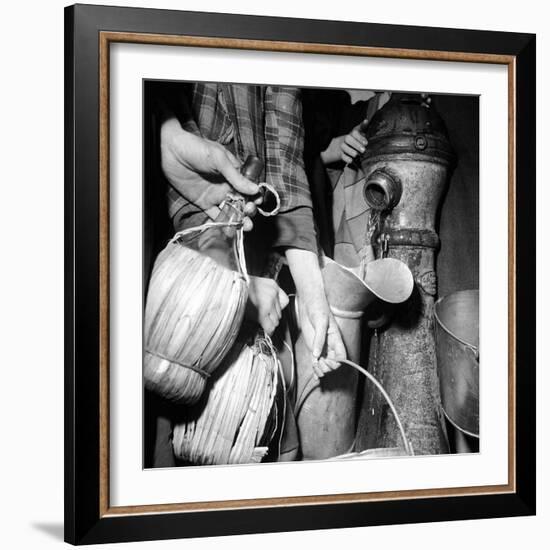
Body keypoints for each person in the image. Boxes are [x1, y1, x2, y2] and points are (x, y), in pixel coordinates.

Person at [147, 82, 346, 466]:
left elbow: (285, 151)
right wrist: (232, 291)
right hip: (179, 269)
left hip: (244, 251)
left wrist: (313, 298)